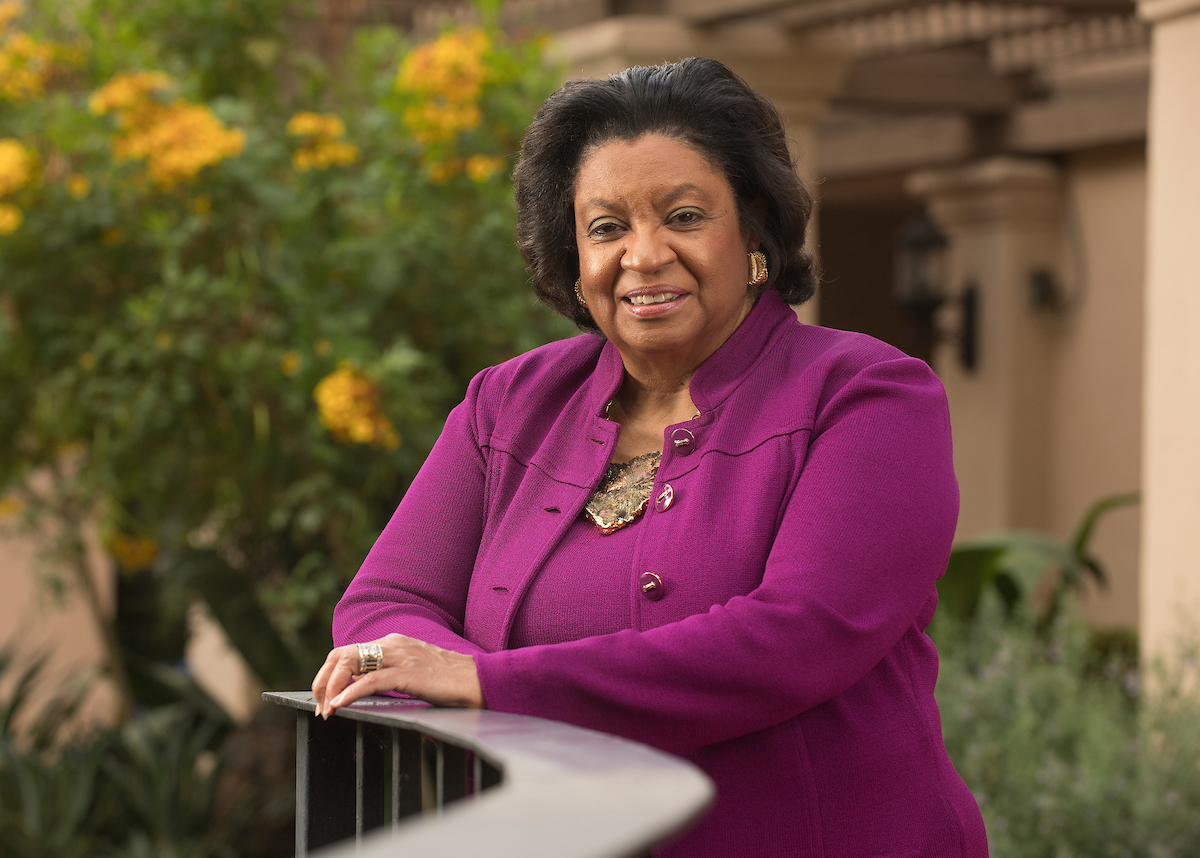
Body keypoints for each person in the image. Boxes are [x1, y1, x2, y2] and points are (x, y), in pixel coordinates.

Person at [311, 57, 988, 858]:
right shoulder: (509, 404)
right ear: (573, 252)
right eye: (607, 227)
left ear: (755, 226)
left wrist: (487, 681)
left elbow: (796, 639)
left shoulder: (867, 396)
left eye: (684, 216)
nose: (645, 255)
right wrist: (437, 667)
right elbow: (384, 604)